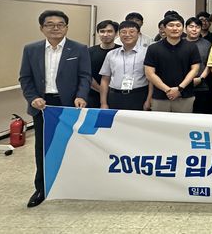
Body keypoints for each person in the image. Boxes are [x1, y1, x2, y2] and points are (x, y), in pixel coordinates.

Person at [19, 10, 90, 207]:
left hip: (69, 105)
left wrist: (81, 96)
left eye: (60, 24)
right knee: (43, 148)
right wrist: (33, 98)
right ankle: (41, 188)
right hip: (43, 106)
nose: (55, 28)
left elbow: (85, 76)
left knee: (72, 145)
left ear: (66, 27)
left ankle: (72, 184)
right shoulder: (31, 49)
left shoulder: (79, 49)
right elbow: (25, 78)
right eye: (50, 24)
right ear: (42, 28)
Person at [144, 14, 201, 113]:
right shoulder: (153, 48)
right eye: (171, 25)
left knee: (183, 122)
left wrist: (179, 88)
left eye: (178, 25)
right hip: (160, 97)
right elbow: (149, 73)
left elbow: (195, 70)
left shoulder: (191, 47)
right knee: (159, 123)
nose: (175, 28)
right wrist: (167, 90)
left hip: (185, 96)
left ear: (183, 28)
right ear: (164, 28)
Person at [99, 20, 152, 111]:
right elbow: (105, 79)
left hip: (139, 95)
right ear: (119, 34)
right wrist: (103, 103)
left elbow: (151, 79)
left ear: (138, 34)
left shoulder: (147, 53)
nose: (127, 35)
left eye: (132, 32)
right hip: (115, 96)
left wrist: (149, 100)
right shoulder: (111, 54)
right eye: (123, 32)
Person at [87, 20, 120, 108]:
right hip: (93, 94)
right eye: (102, 31)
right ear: (98, 33)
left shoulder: (121, 51)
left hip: (116, 95)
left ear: (116, 33)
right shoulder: (89, 52)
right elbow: (86, 74)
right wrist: (102, 91)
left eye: (109, 31)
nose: (105, 34)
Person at [185, 17, 212, 114]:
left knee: (200, 116)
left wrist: (201, 78)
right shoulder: (179, 43)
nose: (194, 29)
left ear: (201, 29)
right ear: (185, 28)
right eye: (191, 26)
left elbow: (209, 65)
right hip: (182, 86)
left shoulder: (207, 44)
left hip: (202, 86)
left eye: (197, 27)